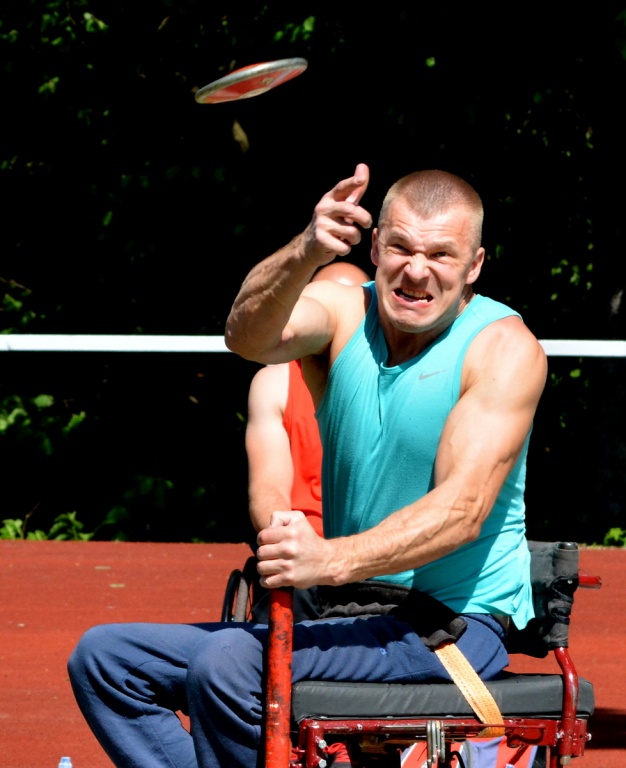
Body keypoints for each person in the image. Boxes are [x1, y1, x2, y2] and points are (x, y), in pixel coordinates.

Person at [67, 164, 547, 768]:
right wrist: (307, 249)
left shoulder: (503, 348)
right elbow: (247, 338)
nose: (416, 270)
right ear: (375, 246)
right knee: (106, 660)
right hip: (349, 615)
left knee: (225, 664)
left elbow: (463, 511)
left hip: (444, 628)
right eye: (401, 247)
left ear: (474, 265)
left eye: (440, 255)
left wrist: (328, 559)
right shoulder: (345, 312)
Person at [245, 261, 371, 626]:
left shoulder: (403, 380)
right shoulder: (275, 383)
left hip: (376, 554)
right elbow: (267, 488)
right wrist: (287, 540)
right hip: (302, 553)